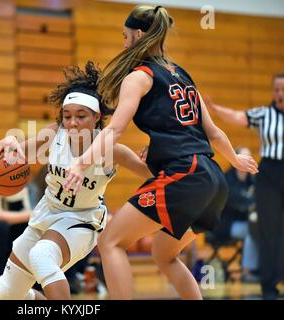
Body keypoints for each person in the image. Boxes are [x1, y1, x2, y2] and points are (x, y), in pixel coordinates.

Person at [62, 5, 258, 300]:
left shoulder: (139, 77)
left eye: (126, 37)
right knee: (164, 254)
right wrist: (236, 160)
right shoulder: (181, 74)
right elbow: (212, 131)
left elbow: (114, 130)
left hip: (185, 175)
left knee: (110, 242)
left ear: (138, 34)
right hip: (214, 180)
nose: (124, 43)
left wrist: (80, 164)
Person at [0, 61, 153, 300]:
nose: (72, 122)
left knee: (42, 256)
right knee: (8, 293)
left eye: (81, 116)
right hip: (46, 214)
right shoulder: (55, 134)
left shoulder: (111, 150)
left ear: (97, 117)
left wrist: (155, 157)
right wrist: (12, 146)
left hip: (81, 220)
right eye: (67, 116)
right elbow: (21, 153)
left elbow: (153, 176)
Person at [205, 73, 284, 299]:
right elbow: (238, 117)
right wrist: (216, 110)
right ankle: (268, 285)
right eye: (276, 89)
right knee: (269, 230)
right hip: (269, 175)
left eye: (283, 90)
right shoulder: (264, 114)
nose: (279, 94)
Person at [210, 147, 259, 282]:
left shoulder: (252, 180)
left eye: (250, 158)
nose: (249, 161)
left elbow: (258, 200)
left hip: (245, 222)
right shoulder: (226, 179)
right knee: (253, 231)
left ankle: (264, 268)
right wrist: (252, 203)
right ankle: (247, 271)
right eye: (245, 157)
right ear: (236, 159)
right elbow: (236, 201)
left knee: (261, 230)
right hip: (225, 225)